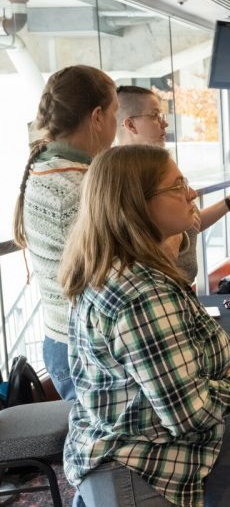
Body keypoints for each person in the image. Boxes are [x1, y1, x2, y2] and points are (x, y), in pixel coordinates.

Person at [59, 145, 230, 506]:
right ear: (137, 203)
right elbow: (188, 414)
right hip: (143, 475)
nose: (191, 193)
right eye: (177, 186)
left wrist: (210, 367)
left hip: (116, 462)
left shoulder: (117, 269)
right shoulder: (142, 294)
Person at [12, 65, 118, 400]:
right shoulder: (79, 189)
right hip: (85, 351)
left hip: (61, 339)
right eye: (115, 112)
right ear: (98, 116)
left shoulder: (45, 167)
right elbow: (115, 273)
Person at [116, 85, 230, 280]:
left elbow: (191, 224)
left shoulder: (162, 164)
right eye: (154, 116)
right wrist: (174, 236)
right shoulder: (123, 180)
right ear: (130, 125)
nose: (164, 124)